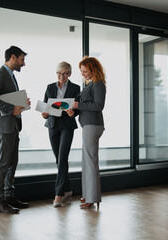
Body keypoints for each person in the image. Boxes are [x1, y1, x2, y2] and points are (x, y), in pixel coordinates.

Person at [0, 45, 31, 214]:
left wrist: (21, 104)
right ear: (13, 57)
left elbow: (7, 98)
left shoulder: (10, 76)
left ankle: (9, 195)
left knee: (12, 163)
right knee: (2, 163)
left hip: (12, 126)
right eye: (22, 59)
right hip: (2, 127)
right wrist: (12, 109)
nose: (23, 64)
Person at [66, 56, 106, 209]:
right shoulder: (91, 84)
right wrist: (74, 112)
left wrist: (78, 104)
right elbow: (85, 106)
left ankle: (92, 198)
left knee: (90, 162)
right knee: (87, 161)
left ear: (93, 69)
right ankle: (88, 195)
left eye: (85, 71)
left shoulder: (98, 84)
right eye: (81, 71)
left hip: (93, 125)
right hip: (88, 124)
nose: (83, 74)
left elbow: (98, 105)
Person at [41, 61, 80, 207]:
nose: (61, 77)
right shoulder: (50, 87)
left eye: (64, 74)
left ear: (69, 74)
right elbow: (46, 106)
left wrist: (72, 113)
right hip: (52, 125)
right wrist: (44, 114)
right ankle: (68, 190)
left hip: (67, 126)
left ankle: (59, 194)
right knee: (59, 159)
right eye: (59, 73)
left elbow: (78, 109)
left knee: (63, 157)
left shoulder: (75, 88)